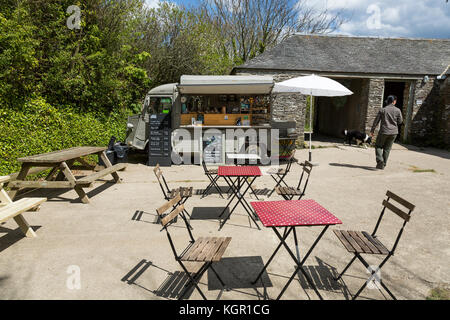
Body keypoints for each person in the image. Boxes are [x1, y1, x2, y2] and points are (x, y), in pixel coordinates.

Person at [370, 95, 403, 169]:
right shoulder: (398, 110)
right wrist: (394, 124)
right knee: (387, 149)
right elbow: (400, 121)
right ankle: (383, 165)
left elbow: (376, 121)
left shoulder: (383, 110)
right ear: (394, 101)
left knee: (378, 146)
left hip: (384, 132)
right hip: (394, 133)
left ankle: (380, 160)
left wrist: (372, 131)